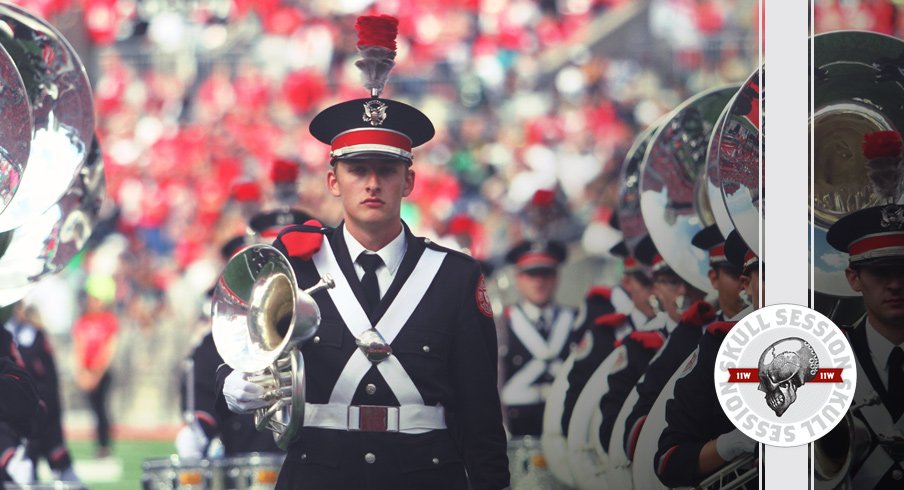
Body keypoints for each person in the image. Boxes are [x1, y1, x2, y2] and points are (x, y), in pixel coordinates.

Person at [218, 14, 509, 490]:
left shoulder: (455, 278)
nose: (372, 182)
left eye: (387, 170)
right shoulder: (294, 265)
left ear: (408, 180)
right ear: (333, 181)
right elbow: (231, 354)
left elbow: (480, 416)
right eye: (357, 170)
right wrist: (232, 384)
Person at [621, 224, 744, 461]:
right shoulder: (693, 336)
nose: (743, 281)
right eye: (734, 273)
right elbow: (646, 441)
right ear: (713, 278)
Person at [655, 231, 759, 488]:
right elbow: (668, 460)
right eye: (770, 276)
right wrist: (731, 444)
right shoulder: (713, 343)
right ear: (748, 283)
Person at [826, 202, 904, 488]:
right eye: (881, 272)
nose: (895, 284)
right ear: (853, 278)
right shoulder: (823, 359)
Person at [498, 239, 577, 438]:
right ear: (518, 278)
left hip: (567, 430)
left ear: (557, 276)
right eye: (531, 274)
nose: (539, 281)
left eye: (546, 273)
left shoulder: (577, 320)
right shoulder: (501, 325)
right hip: (517, 433)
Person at [4, 302, 78, 481]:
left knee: (47, 450)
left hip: (36, 402)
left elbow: (47, 376)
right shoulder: (9, 333)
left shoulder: (35, 336)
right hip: (18, 405)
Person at [72, 275, 120, 459]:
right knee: (94, 410)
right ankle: (98, 444)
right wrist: (82, 372)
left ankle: (104, 445)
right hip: (87, 373)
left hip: (102, 374)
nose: (92, 302)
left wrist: (96, 374)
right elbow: (79, 347)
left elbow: (108, 350)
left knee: (102, 409)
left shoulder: (109, 321)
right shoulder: (82, 321)